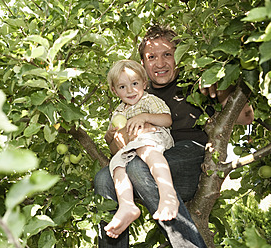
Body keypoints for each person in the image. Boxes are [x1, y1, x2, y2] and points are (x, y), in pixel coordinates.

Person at [94, 25, 254, 248]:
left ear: (178, 57)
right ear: (143, 63)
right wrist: (114, 136)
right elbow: (118, 151)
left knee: (137, 167)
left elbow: (246, 116)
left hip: (191, 156)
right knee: (103, 178)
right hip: (147, 158)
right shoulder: (136, 94)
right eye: (151, 57)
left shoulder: (195, 82)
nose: (159, 63)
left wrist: (222, 84)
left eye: (167, 54)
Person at [104, 60, 178, 239]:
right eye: (122, 86)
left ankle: (168, 194)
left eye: (135, 84)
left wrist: (144, 117)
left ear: (144, 83)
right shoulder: (118, 113)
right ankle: (127, 205)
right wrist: (111, 134)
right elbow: (115, 143)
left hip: (154, 138)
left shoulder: (149, 100)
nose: (130, 90)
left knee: (146, 149)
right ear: (114, 90)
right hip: (131, 148)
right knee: (116, 165)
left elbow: (167, 120)